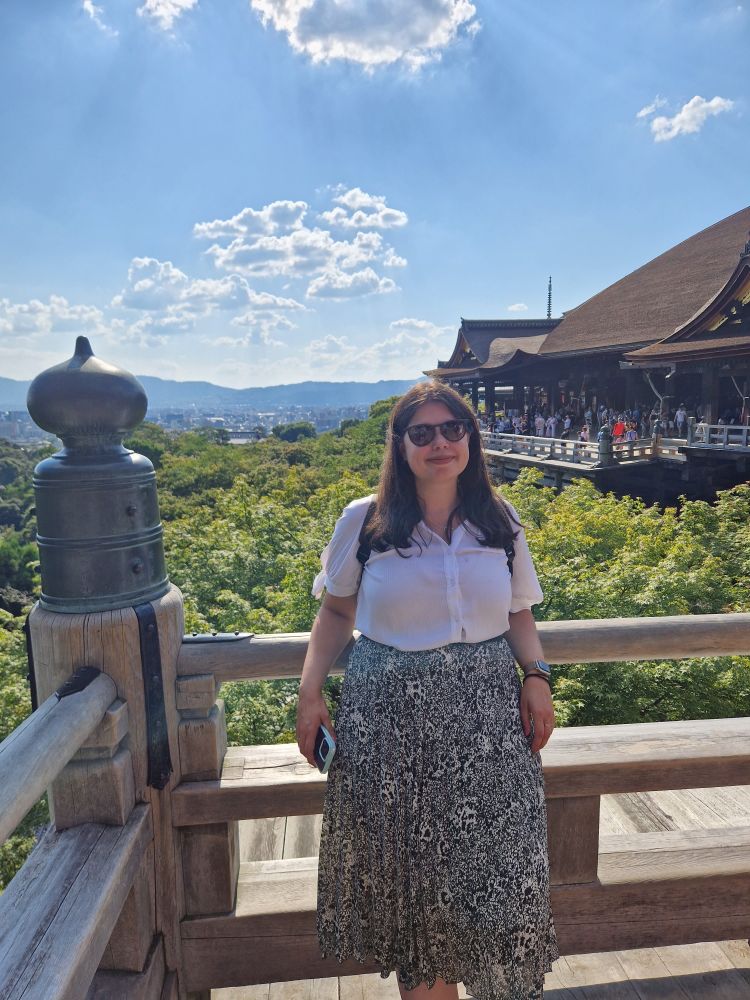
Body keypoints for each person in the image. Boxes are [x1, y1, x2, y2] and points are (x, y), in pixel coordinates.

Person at [298, 381, 559, 1000]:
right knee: (419, 884)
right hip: (393, 721)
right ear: (401, 445)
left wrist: (538, 676)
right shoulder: (366, 520)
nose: (439, 443)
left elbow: (519, 612)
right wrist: (310, 693)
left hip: (488, 722)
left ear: (470, 438)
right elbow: (336, 614)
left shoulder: (501, 519)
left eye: (452, 430)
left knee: (495, 873)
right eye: (422, 433)